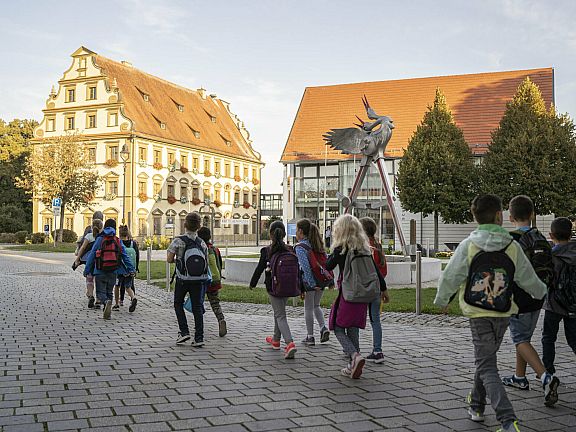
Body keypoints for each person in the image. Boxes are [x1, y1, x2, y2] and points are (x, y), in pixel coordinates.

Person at [434, 194, 547, 432]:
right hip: (503, 312)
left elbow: (450, 276)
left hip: (478, 312)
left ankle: (507, 420)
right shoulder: (512, 246)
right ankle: (476, 405)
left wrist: (442, 299)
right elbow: (529, 279)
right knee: (486, 361)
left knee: (486, 365)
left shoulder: (468, 245)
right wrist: (542, 293)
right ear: (500, 216)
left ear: (475, 217)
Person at [499, 196, 559, 406]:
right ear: (532, 214)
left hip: (519, 298)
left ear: (510, 216)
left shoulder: (511, 239)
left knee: (519, 339)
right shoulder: (540, 236)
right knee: (524, 336)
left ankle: (546, 378)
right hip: (538, 296)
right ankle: (519, 377)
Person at [326, 214, 387, 379]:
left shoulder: (341, 249)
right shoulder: (364, 248)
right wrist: (384, 289)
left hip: (348, 294)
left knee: (337, 326)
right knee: (352, 326)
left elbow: (328, 265)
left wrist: (334, 247)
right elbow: (375, 272)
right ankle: (353, 363)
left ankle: (354, 355)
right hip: (363, 295)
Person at [249, 220, 297, 359]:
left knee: (280, 315)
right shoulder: (290, 249)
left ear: (271, 234)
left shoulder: (267, 251)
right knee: (279, 312)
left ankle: (290, 343)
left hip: (274, 286)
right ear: (284, 234)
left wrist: (252, 283)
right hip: (289, 286)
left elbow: (259, 269)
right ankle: (276, 340)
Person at [542, 217, 576, 383]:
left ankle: (548, 372)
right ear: (571, 234)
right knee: (573, 338)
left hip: (554, 303)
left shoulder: (551, 255)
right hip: (574, 304)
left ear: (551, 234)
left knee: (548, 337)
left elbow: (547, 279)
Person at [167, 212, 209, 346]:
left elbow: (169, 259)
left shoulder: (178, 240)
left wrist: (179, 261)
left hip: (183, 278)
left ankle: (184, 332)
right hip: (198, 280)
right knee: (197, 307)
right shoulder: (202, 243)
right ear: (199, 226)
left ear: (185, 224)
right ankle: (199, 338)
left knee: (178, 303)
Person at [84, 219, 135, 320]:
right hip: (113, 270)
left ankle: (105, 302)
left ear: (105, 227)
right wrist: (131, 269)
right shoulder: (117, 240)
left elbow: (92, 255)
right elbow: (125, 257)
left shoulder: (99, 239)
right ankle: (108, 311)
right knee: (109, 292)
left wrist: (87, 270)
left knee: (100, 293)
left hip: (99, 270)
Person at [294, 218, 330, 346]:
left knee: (308, 308)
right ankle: (323, 328)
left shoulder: (300, 247)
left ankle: (310, 336)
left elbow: (305, 267)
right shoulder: (317, 244)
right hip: (321, 280)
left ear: (301, 231)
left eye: (297, 230)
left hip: (310, 283)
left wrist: (311, 283)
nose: (296, 233)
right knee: (316, 305)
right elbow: (326, 262)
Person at [360, 217, 390, 364]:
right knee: (375, 320)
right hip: (377, 288)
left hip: (366, 288)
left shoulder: (365, 247)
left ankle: (353, 350)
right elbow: (383, 270)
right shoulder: (378, 246)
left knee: (357, 318)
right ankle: (377, 350)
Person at [197, 226, 227, 337]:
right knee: (215, 303)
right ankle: (221, 319)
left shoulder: (199, 248)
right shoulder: (215, 249)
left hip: (201, 280)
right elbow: (219, 265)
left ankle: (198, 326)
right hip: (214, 280)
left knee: (197, 303)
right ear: (210, 237)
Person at [74, 218, 103, 308]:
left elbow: (82, 248)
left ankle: (90, 296)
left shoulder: (89, 236)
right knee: (99, 280)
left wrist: (77, 259)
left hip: (89, 261)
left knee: (89, 279)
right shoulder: (103, 237)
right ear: (101, 226)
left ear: (92, 226)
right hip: (100, 262)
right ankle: (98, 300)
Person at [112, 225, 138, 313]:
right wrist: (134, 268)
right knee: (128, 287)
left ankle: (116, 304)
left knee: (117, 286)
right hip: (130, 269)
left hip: (120, 269)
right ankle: (133, 298)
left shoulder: (118, 242)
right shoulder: (133, 243)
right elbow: (137, 256)